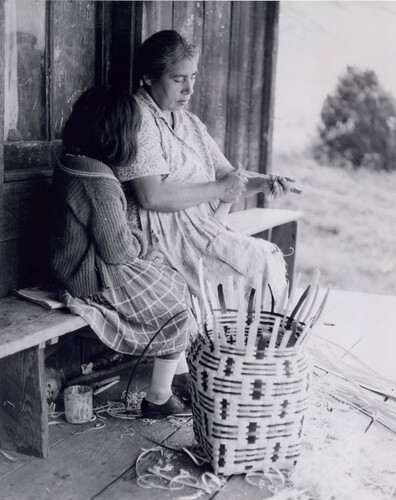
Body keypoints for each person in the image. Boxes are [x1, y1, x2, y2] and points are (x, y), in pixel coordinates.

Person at [115, 30, 294, 307]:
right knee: (258, 266)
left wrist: (263, 183)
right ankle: (244, 346)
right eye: (178, 80)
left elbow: (226, 176)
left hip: (200, 230)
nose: (190, 90)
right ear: (148, 77)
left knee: (266, 260)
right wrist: (220, 188)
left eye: (193, 77)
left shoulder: (189, 123)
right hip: (165, 239)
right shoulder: (137, 118)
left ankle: (251, 347)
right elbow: (151, 196)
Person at [51, 86, 197, 418]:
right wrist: (141, 246)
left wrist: (129, 237)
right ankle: (159, 397)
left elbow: (96, 225)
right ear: (118, 134)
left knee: (171, 282)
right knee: (177, 304)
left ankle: (178, 376)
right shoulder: (98, 179)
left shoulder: (72, 161)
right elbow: (118, 252)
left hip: (74, 262)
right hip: (90, 278)